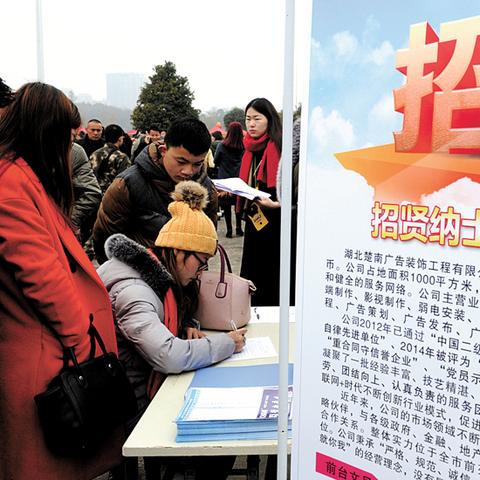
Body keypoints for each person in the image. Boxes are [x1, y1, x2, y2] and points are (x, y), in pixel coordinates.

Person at [0, 82, 122, 479]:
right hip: (49, 359)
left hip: (53, 350)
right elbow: (43, 277)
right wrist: (84, 345)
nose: (71, 147)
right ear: (46, 132)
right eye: (68, 137)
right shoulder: (12, 183)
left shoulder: (21, 175)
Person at [98, 180, 245, 479]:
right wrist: (227, 343)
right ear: (179, 252)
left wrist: (188, 325)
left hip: (144, 384)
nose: (200, 273)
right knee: (218, 441)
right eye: (201, 263)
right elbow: (168, 355)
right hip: (127, 402)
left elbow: (169, 324)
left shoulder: (158, 277)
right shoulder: (134, 290)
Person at [93, 117, 218, 263]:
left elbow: (210, 243)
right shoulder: (127, 184)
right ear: (163, 150)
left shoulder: (206, 189)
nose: (188, 171)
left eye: (197, 164)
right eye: (181, 162)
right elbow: (105, 240)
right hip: (137, 273)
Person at [237, 98, 282, 306]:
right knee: (252, 265)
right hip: (255, 216)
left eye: (257, 118)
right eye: (248, 119)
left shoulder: (278, 145)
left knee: (270, 269)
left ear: (269, 119)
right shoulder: (249, 148)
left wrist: (277, 203)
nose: (251, 124)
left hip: (275, 220)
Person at [214, 121, 245, 238]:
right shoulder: (244, 147)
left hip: (224, 179)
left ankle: (229, 229)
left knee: (226, 205)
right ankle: (239, 228)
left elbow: (215, 161)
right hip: (239, 179)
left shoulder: (222, 146)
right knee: (238, 203)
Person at [71, 142, 102, 244]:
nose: (96, 133)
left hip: (63, 222)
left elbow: (91, 192)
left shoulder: (74, 151)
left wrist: (71, 219)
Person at [90, 123, 131, 193]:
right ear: (120, 139)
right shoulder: (122, 157)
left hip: (94, 193)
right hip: (112, 195)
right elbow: (124, 182)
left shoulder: (94, 154)